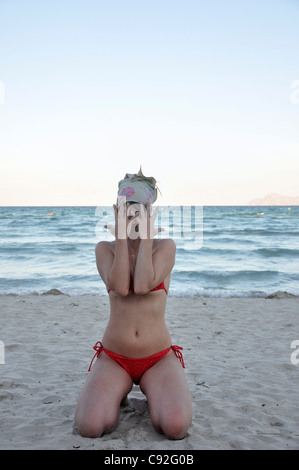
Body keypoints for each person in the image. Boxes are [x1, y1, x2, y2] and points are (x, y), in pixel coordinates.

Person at [75, 169, 192, 440]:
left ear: (150, 210)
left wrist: (147, 236)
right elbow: (121, 287)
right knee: (89, 427)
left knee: (175, 427)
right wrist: (121, 238)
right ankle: (119, 394)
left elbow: (142, 284)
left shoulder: (165, 247)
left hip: (157, 358)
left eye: (139, 207)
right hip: (115, 357)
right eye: (126, 207)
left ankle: (155, 394)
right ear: (117, 208)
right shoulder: (105, 249)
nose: (132, 213)